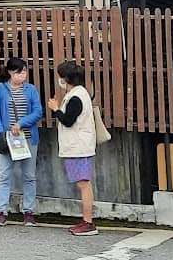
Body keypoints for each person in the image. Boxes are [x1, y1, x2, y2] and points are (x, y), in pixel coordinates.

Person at [0, 56, 43, 226]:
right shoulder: (0, 88)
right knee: (4, 175)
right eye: (20, 72)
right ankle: (1, 211)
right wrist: (1, 132)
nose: (23, 75)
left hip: (28, 138)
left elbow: (38, 111)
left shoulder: (31, 89)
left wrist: (21, 123)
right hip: (7, 139)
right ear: (11, 72)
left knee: (29, 176)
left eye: (25, 71)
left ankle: (28, 211)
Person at [48, 60, 98, 236]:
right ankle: (86, 220)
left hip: (79, 147)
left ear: (66, 79)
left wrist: (55, 109)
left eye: (61, 77)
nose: (59, 80)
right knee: (82, 183)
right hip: (78, 146)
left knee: (83, 184)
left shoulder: (76, 96)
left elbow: (68, 121)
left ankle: (88, 222)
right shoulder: (79, 93)